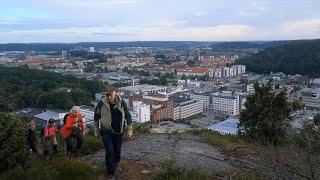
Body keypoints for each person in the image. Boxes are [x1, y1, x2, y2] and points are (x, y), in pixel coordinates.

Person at [94, 85, 133, 178]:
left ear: (115, 93)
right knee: (110, 151)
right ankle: (110, 172)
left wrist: (130, 129)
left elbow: (128, 115)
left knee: (117, 151)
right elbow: (96, 117)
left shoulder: (121, 102)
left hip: (118, 132)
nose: (109, 97)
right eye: (107, 95)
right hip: (106, 131)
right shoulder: (101, 103)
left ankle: (115, 165)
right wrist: (96, 130)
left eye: (111, 95)